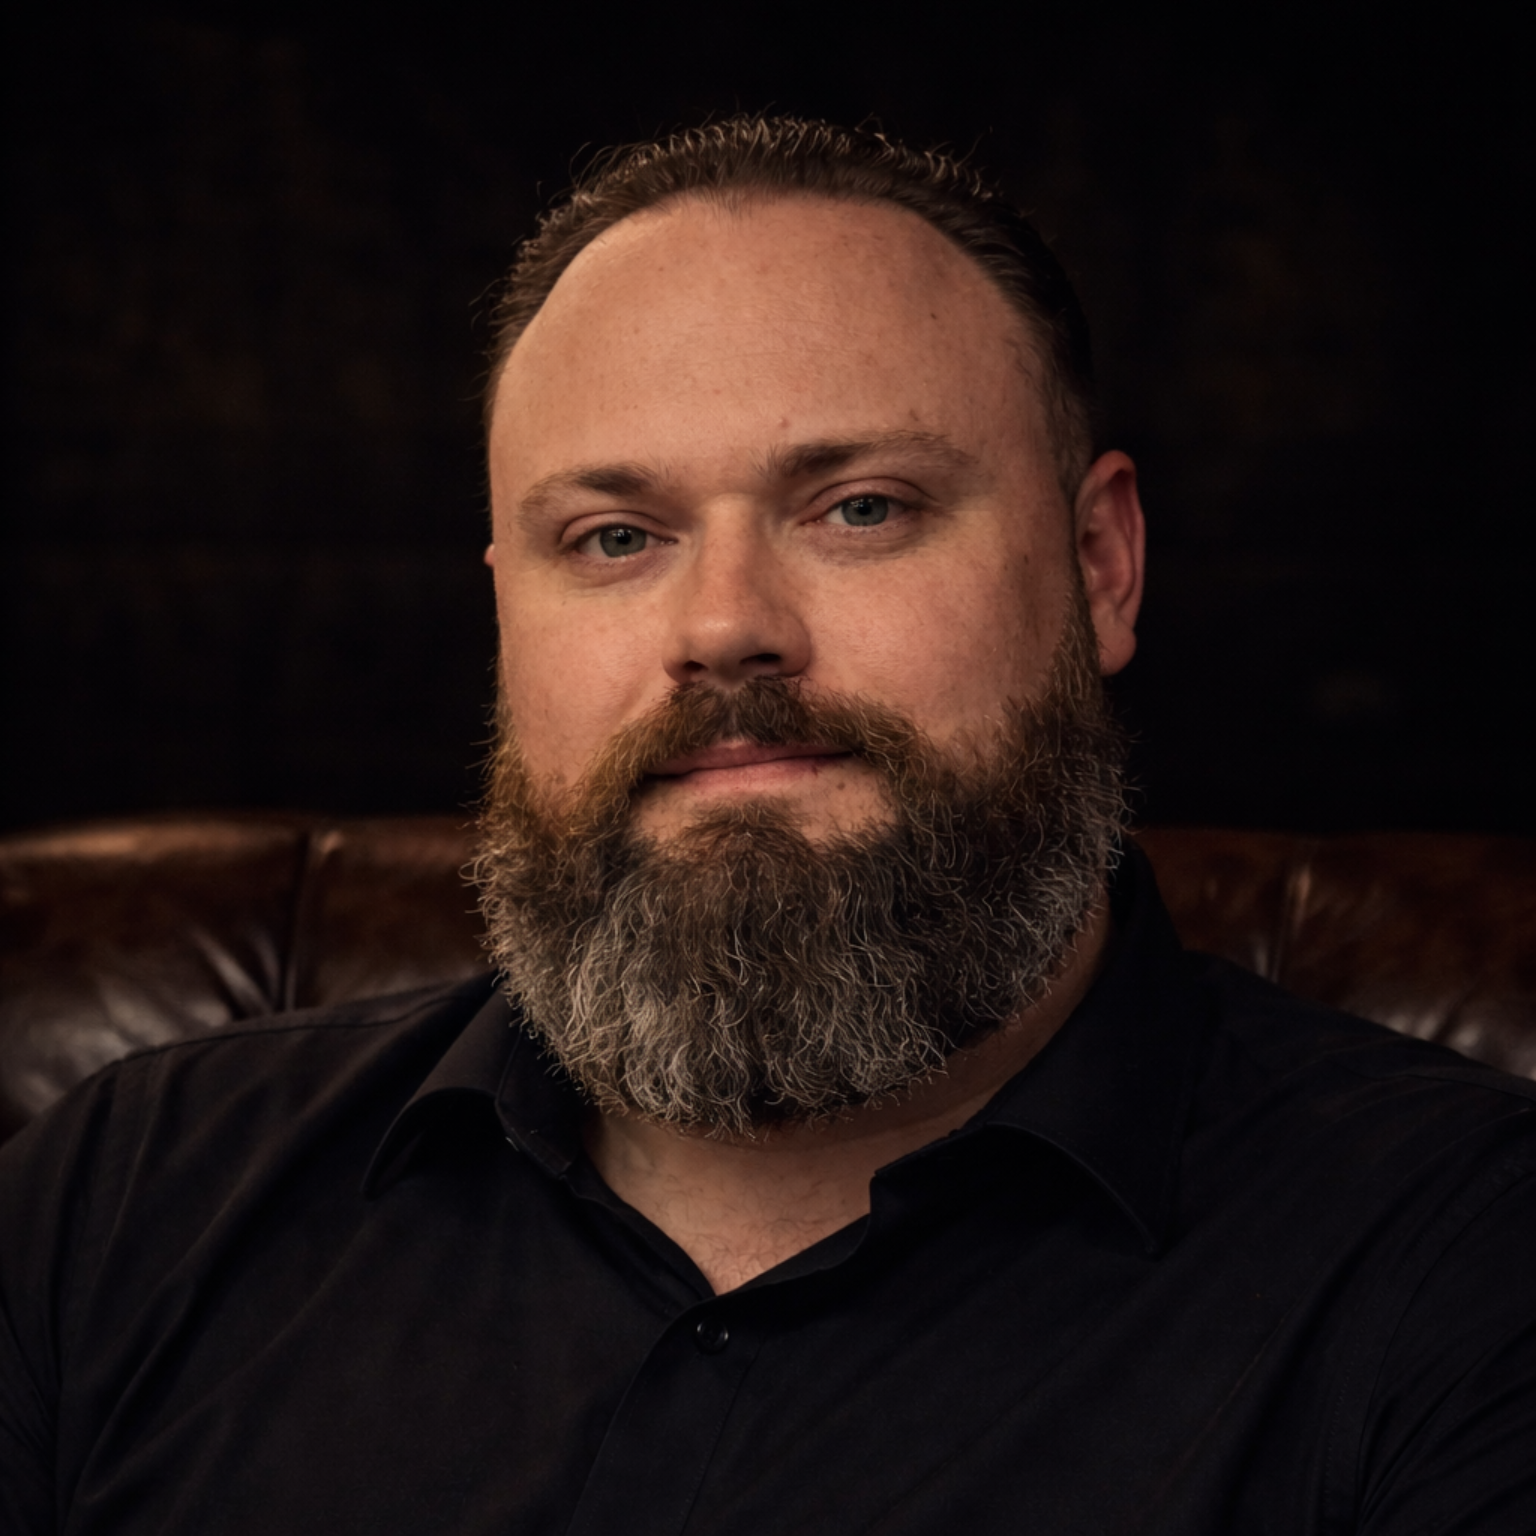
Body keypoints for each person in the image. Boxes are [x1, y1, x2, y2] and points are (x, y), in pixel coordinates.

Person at [1, 116, 1532, 1535]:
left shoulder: (1466, 1269)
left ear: (1101, 564)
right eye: (613, 539)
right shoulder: (121, 1204)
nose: (726, 627)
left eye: (859, 506)